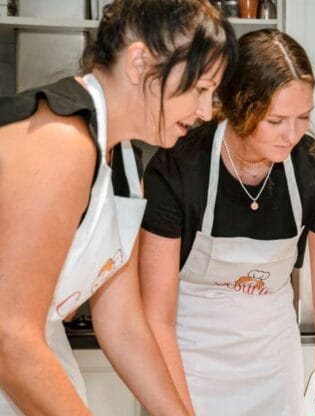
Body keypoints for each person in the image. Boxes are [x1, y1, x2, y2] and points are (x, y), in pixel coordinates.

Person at [0, 1, 236, 415]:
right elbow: (10, 335)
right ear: (139, 63)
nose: (205, 112)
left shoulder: (124, 162)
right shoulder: (60, 140)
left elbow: (122, 323)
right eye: (200, 89)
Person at [139, 29, 315, 416]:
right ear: (239, 106)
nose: (293, 135)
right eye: (276, 120)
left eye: (304, 117)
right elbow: (157, 317)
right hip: (189, 364)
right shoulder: (178, 169)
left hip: (273, 365)